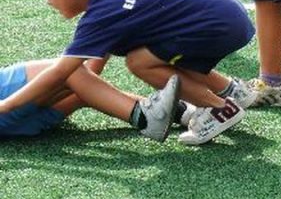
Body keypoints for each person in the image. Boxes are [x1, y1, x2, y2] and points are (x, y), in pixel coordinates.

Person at [22, 0, 256, 145]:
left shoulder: (100, 17)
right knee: (162, 55)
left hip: (217, 23)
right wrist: (80, 93)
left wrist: (7, 106)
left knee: (140, 62)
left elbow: (63, 72)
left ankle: (219, 108)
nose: (48, 1)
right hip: (228, 14)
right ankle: (232, 90)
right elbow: (91, 73)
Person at [0, 57, 181, 142]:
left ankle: (185, 113)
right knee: (71, 71)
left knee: (83, 88)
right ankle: (146, 118)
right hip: (5, 101)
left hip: (14, 126)